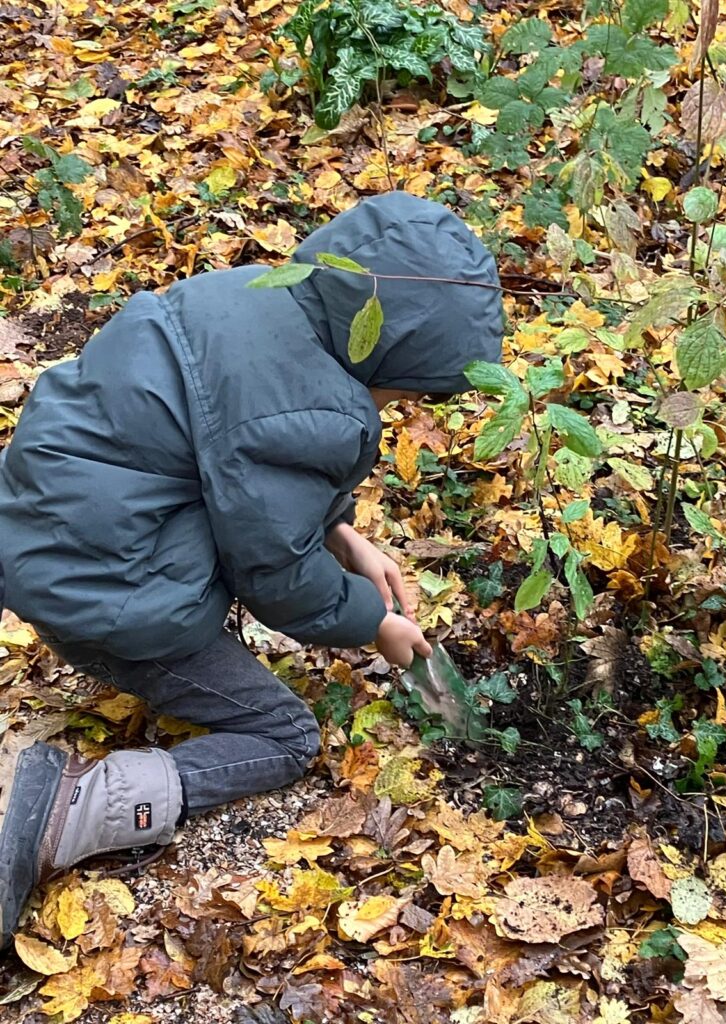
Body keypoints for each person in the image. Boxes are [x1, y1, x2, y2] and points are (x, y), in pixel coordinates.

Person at [0, 192, 502, 948]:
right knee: (285, 736)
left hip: (50, 531)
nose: (401, 406)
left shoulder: (253, 296)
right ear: (386, 356)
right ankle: (71, 807)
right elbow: (275, 571)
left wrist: (346, 537)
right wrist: (376, 624)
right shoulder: (320, 412)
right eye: (407, 391)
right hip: (99, 588)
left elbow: (235, 457)